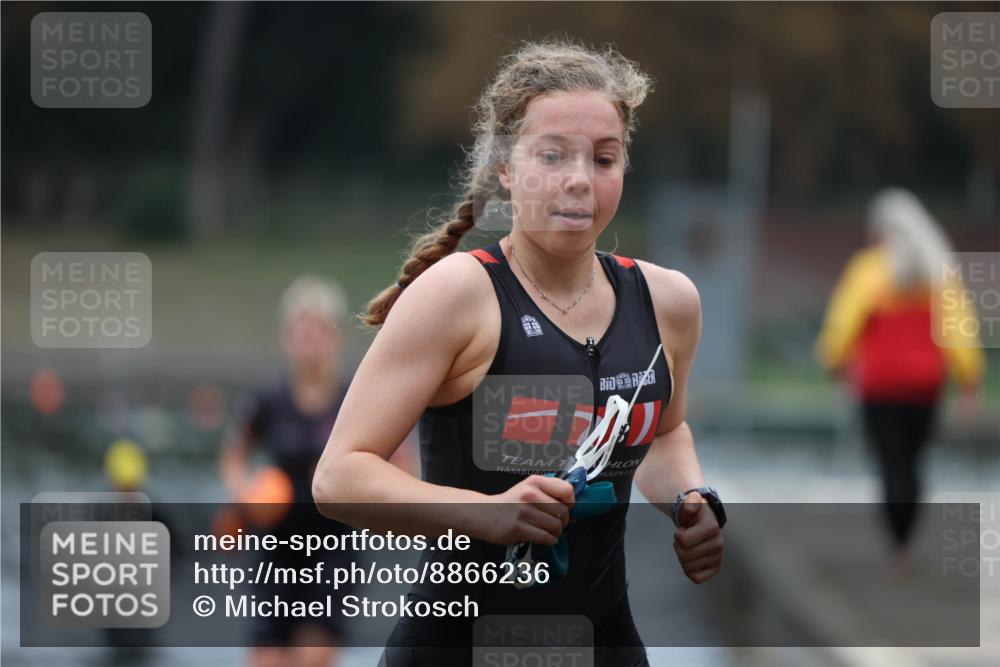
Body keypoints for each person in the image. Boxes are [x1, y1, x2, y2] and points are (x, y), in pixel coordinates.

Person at [313, 38, 725, 666]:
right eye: (553, 156)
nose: (580, 180)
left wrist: (691, 502)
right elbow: (339, 478)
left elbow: (664, 434)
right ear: (506, 168)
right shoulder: (457, 295)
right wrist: (486, 515)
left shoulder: (668, 301)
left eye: (604, 158)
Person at [816, 188, 985, 573]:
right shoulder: (937, 271)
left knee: (892, 464)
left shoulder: (869, 270)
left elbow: (843, 324)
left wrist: (833, 362)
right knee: (913, 462)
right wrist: (970, 381)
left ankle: (899, 545)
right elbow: (960, 331)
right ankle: (906, 541)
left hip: (880, 387)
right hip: (926, 388)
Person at [219, 275, 355, 667]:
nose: (307, 340)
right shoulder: (268, 398)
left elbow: (399, 463)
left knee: (313, 657)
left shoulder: (353, 398)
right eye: (299, 331)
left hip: (333, 547)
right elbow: (233, 456)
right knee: (265, 658)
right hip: (275, 547)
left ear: (334, 336)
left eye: (316, 331)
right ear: (286, 337)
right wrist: (244, 496)